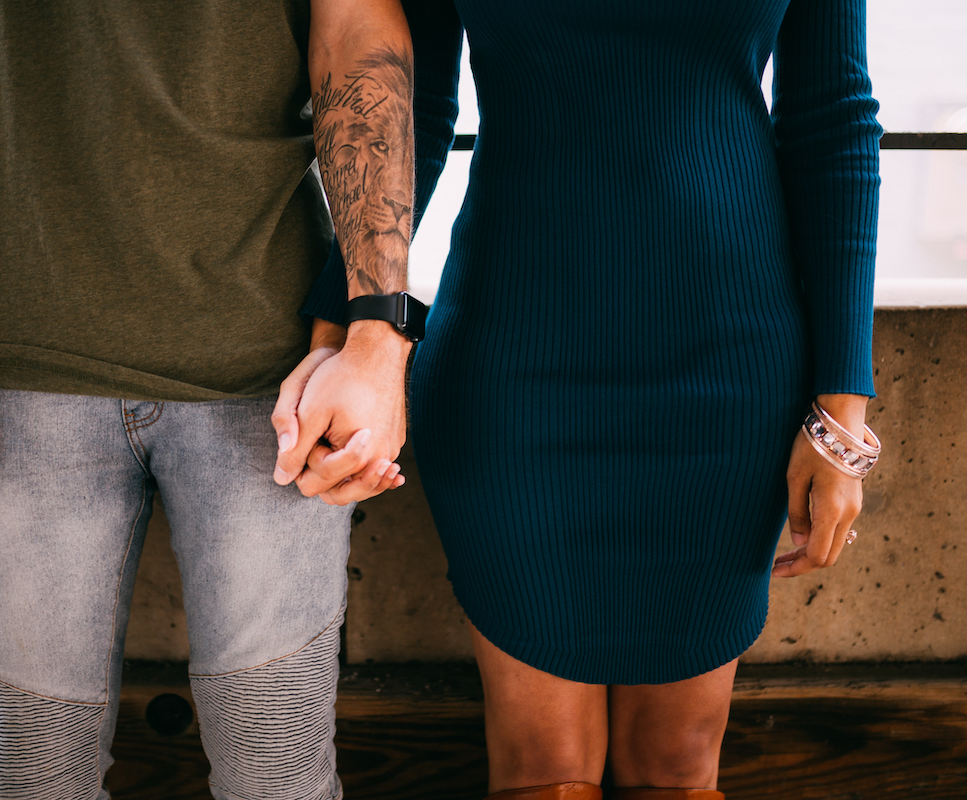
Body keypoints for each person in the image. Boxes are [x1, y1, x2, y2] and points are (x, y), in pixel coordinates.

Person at [310, 0, 883, 797]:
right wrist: (342, 331)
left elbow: (832, 118)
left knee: (677, 766)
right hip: (510, 372)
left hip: (732, 379)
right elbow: (410, 105)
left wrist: (842, 407)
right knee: (540, 769)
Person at [0, 1, 418, 798]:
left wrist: (377, 330)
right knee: (26, 779)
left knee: (277, 775)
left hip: (272, 376)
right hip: (14, 373)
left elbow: (357, 29)